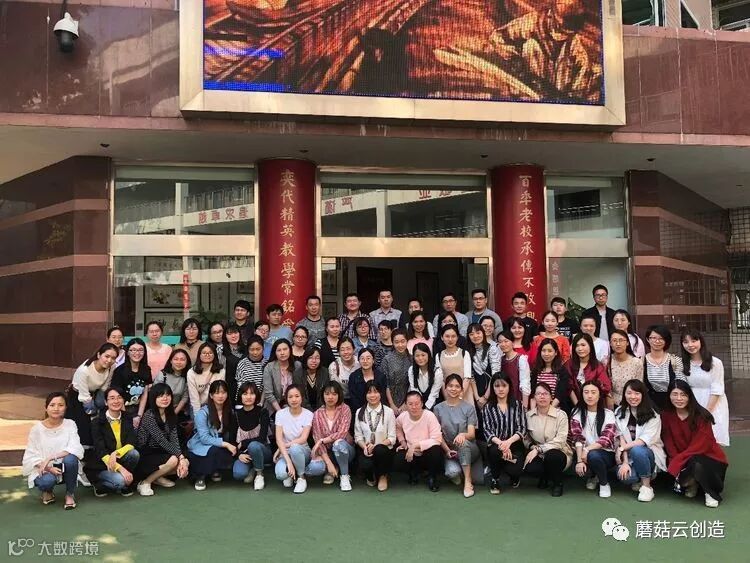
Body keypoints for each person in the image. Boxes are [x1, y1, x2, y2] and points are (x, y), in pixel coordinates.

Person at [661, 380, 728, 508]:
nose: (679, 398)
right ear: (669, 396)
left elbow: (700, 446)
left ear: (689, 396)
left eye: (683, 395)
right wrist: (674, 459)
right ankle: (694, 483)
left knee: (697, 463)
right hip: (684, 458)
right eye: (675, 394)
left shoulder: (701, 416)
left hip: (709, 459)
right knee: (683, 466)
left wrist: (677, 462)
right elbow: (668, 441)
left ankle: (710, 493)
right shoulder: (665, 415)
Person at [22, 392, 84, 509]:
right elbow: (30, 456)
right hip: (46, 469)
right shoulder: (36, 429)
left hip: (66, 467)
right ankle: (47, 491)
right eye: (52, 405)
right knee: (46, 481)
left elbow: (75, 447)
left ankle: (70, 494)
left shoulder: (70, 424)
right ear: (46, 407)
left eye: (60, 405)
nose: (56, 408)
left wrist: (51, 457)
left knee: (71, 459)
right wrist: (48, 468)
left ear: (65, 407)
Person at [613, 379, 666, 502]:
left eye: (637, 393)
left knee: (637, 450)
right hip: (629, 455)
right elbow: (621, 438)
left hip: (648, 454)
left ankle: (647, 487)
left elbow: (643, 441)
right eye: (629, 393)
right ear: (624, 394)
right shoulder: (619, 412)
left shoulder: (653, 414)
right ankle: (641, 477)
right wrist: (625, 462)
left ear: (643, 395)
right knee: (626, 477)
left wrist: (622, 448)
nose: (633, 397)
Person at [135, 383, 190, 496]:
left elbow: (174, 440)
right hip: (146, 454)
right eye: (160, 396)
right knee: (174, 460)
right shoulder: (149, 415)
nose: (165, 398)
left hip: (162, 452)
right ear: (153, 398)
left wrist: (183, 460)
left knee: (185, 463)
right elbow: (161, 440)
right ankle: (145, 482)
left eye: (167, 395)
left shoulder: (170, 415)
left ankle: (156, 477)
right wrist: (180, 457)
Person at [681, 329, 730, 446]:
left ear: (701, 341)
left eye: (694, 341)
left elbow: (717, 388)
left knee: (714, 437)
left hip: (713, 403)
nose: (690, 345)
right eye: (686, 342)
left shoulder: (715, 362)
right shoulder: (683, 363)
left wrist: (706, 412)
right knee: (694, 439)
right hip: (692, 404)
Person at [435, 374, 480, 498]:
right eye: (450, 386)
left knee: (463, 443)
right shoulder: (438, 409)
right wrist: (447, 450)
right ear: (445, 388)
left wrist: (462, 435)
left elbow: (471, 434)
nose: (453, 389)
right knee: (452, 472)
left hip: (469, 447)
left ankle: (468, 482)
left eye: (457, 386)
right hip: (450, 451)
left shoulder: (469, 408)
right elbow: (437, 434)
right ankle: (462, 471)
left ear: (461, 389)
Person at [523, 383, 572, 497]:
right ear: (534, 397)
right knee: (530, 467)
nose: (542, 396)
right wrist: (532, 447)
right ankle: (545, 476)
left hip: (559, 452)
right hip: (539, 453)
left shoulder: (561, 415)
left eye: (545, 394)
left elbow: (561, 440)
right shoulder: (528, 416)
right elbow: (525, 438)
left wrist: (539, 449)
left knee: (553, 456)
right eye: (539, 394)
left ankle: (557, 483)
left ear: (551, 397)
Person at [187, 380, 237, 491]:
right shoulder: (202, 413)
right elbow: (204, 438)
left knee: (226, 452)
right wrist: (226, 444)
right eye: (217, 393)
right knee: (214, 450)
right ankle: (200, 476)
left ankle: (214, 469)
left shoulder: (230, 411)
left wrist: (229, 444)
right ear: (211, 395)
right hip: (202, 444)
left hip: (220, 440)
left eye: (223, 392)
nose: (220, 396)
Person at [570, 381, 617, 498]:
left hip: (606, 454)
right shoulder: (576, 413)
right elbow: (577, 437)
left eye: (593, 392)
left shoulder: (608, 414)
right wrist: (579, 461)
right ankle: (593, 476)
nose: (589, 396)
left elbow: (606, 439)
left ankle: (604, 483)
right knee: (587, 458)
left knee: (593, 455)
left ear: (599, 395)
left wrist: (587, 450)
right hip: (583, 454)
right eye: (586, 392)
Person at [90, 387, 140, 497]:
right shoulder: (97, 422)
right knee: (120, 481)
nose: (116, 401)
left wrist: (116, 453)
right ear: (105, 402)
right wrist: (121, 469)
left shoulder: (127, 417)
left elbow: (132, 442)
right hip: (102, 464)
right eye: (112, 398)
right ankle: (99, 484)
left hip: (118, 458)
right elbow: (100, 450)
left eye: (119, 397)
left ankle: (125, 482)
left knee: (134, 454)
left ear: (123, 400)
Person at [483, 374, 527, 494]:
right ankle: (495, 479)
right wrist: (501, 444)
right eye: (497, 386)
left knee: (516, 469)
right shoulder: (488, 407)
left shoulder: (518, 405)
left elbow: (522, 428)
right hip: (496, 444)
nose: (501, 389)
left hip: (514, 443)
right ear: (493, 388)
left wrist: (508, 442)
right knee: (494, 451)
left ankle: (514, 476)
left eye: (504, 385)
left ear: (509, 387)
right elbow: (487, 430)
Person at [67, 343, 119, 445]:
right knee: (83, 426)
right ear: (99, 355)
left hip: (96, 392)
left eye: (113, 358)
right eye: (107, 356)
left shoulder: (112, 366)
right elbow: (85, 398)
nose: (109, 360)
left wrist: (101, 403)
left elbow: (105, 386)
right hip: (79, 395)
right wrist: (93, 413)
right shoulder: (84, 370)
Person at [308, 382, 356, 491]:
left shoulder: (345, 409)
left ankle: (344, 476)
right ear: (323, 395)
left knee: (338, 444)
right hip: (327, 453)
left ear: (339, 395)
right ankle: (332, 468)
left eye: (334, 394)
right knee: (314, 468)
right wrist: (329, 463)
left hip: (345, 450)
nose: (330, 397)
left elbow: (342, 433)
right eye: (327, 394)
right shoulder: (317, 414)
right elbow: (317, 438)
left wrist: (323, 440)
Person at [395, 391, 444, 492]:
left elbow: (437, 439)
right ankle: (413, 473)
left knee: (436, 450)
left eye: (417, 404)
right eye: (410, 404)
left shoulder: (429, 416)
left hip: (427, 451)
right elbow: (397, 427)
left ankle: (432, 477)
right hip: (411, 453)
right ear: (406, 405)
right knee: (398, 457)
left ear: (422, 404)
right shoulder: (403, 416)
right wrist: (402, 441)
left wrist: (415, 446)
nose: (414, 407)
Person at [354, 382, 397, 491]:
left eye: (376, 392)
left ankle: (383, 476)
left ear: (381, 394)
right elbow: (358, 436)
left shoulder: (388, 412)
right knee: (365, 464)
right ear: (365, 395)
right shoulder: (359, 412)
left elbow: (392, 438)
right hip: (367, 450)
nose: (372, 395)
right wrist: (365, 447)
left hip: (384, 450)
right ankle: (371, 476)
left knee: (379, 450)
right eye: (369, 392)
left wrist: (377, 445)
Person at [273, 385, 314, 494]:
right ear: (286, 398)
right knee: (281, 474)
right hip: (286, 452)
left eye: (297, 396)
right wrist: (288, 462)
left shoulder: (308, 414)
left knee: (295, 448)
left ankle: (301, 477)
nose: (294, 399)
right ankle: (291, 471)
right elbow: (278, 439)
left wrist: (281, 448)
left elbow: (303, 438)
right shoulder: (280, 414)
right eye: (290, 397)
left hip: (302, 451)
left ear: (302, 397)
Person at [231, 381, 272, 490]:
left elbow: (262, 438)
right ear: (240, 396)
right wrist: (238, 454)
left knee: (253, 445)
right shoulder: (236, 415)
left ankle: (259, 474)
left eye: (252, 393)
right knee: (238, 474)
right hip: (245, 453)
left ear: (256, 396)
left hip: (263, 450)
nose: (248, 397)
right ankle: (253, 468)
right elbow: (232, 440)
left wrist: (244, 443)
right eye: (245, 394)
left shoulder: (263, 412)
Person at [111, 337, 151, 426]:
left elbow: (144, 394)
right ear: (127, 352)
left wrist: (139, 416)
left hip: (139, 410)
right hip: (121, 410)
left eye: (140, 350)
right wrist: (127, 418)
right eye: (133, 350)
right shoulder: (119, 371)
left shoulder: (146, 369)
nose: (137, 353)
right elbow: (117, 396)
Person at [643, 325, 684, 410]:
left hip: (673, 404)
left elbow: (681, 384)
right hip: (649, 405)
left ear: (666, 340)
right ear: (647, 339)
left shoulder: (675, 360)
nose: (657, 341)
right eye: (653, 338)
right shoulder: (641, 361)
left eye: (661, 338)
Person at [567, 333, 611, 409]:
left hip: (595, 405)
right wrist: (577, 406)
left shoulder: (598, 366)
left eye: (583, 345)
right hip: (573, 405)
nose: (580, 349)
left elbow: (606, 386)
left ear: (590, 346)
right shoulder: (568, 364)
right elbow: (568, 387)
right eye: (577, 346)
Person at [467, 323, 501, 417]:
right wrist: (477, 398)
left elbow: (495, 374)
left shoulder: (492, 349)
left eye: (478, 333)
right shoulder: (468, 352)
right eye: (471, 334)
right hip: (476, 394)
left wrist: (485, 397)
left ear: (483, 333)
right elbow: (470, 376)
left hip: (491, 391)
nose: (475, 336)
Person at [529, 338, 570, 413]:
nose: (546, 354)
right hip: (538, 410)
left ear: (556, 352)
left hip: (556, 410)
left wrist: (548, 411)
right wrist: (533, 412)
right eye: (543, 350)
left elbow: (560, 394)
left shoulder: (562, 371)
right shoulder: (536, 370)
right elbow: (533, 394)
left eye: (550, 351)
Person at [435, 325, 472, 403]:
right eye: (447, 336)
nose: (450, 339)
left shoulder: (464, 353)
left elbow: (467, 377)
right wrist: (448, 398)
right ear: (442, 337)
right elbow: (441, 380)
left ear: (457, 337)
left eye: (453, 336)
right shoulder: (438, 356)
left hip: (465, 394)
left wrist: (460, 397)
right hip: (448, 395)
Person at [186, 342, 226, 416]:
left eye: (210, 353)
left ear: (214, 355)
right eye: (204, 353)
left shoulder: (220, 371)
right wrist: (198, 416)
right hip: (198, 405)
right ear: (199, 355)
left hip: (215, 406)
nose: (207, 355)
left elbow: (220, 393)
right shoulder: (192, 372)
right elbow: (194, 398)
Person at [152, 348, 191, 420]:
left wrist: (174, 414)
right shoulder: (163, 375)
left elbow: (185, 397)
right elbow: (155, 396)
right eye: (176, 359)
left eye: (182, 360)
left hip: (178, 411)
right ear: (170, 361)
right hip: (160, 411)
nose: (179, 362)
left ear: (187, 362)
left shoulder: (188, 376)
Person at [262, 339, 298, 415]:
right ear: (275, 353)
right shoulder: (269, 367)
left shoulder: (297, 366)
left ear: (290, 350)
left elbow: (300, 389)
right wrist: (280, 412)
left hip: (294, 404)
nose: (282, 353)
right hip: (273, 407)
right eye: (279, 350)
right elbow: (268, 394)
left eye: (285, 349)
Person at [348, 348, 388, 416]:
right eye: (362, 358)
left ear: (373, 360)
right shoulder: (353, 377)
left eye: (368, 358)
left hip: (379, 412)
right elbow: (353, 399)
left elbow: (383, 397)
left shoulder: (381, 377)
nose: (365, 361)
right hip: (359, 412)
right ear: (358, 360)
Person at [608, 329, 643, 405]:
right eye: (614, 340)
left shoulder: (636, 362)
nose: (618, 344)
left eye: (621, 340)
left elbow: (639, 386)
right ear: (610, 343)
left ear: (627, 343)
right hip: (612, 403)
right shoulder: (606, 361)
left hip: (632, 401)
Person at [381, 329, 411, 415]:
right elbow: (386, 384)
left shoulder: (411, 359)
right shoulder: (387, 360)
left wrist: (406, 403)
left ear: (407, 341)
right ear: (392, 343)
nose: (400, 345)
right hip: (390, 398)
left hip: (407, 399)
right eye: (396, 342)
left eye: (403, 341)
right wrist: (391, 404)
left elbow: (412, 384)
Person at [497, 330, 531, 405]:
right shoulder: (500, 360)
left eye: (506, 341)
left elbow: (525, 382)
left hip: (517, 399)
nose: (503, 344)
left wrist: (525, 405)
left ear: (512, 342)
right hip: (502, 399)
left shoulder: (520, 359)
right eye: (500, 342)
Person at [407, 343, 444, 410]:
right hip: (418, 405)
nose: (420, 358)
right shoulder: (411, 370)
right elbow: (414, 389)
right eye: (417, 356)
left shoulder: (437, 371)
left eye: (423, 355)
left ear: (428, 355)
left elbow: (434, 394)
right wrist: (419, 408)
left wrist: (425, 410)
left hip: (434, 404)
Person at [293, 347, 330, 411]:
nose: (314, 361)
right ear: (305, 359)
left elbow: (326, 392)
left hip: (322, 408)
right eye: (310, 358)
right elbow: (299, 395)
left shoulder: (324, 372)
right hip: (303, 409)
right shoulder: (298, 373)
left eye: (317, 358)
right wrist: (309, 411)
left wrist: (319, 411)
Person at [231, 336, 266, 403]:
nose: (255, 352)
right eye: (252, 349)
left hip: (260, 402)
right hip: (244, 401)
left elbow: (266, 386)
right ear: (248, 349)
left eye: (258, 349)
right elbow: (240, 385)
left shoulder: (266, 364)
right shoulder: (242, 363)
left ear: (263, 348)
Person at [328, 337, 359, 405]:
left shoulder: (360, 362)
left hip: (359, 398)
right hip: (341, 400)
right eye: (342, 350)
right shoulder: (334, 366)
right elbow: (335, 389)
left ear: (354, 349)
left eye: (348, 349)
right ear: (338, 352)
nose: (346, 352)